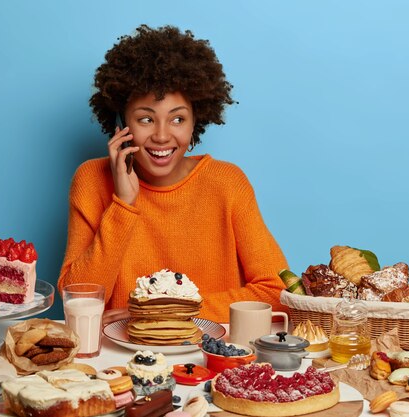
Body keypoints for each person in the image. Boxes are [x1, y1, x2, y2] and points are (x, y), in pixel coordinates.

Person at [58, 25, 288, 324]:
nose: (163, 136)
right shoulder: (91, 179)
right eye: (145, 119)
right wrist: (124, 205)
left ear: (196, 122)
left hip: (210, 357)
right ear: (120, 123)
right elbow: (78, 300)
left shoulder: (227, 183)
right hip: (117, 363)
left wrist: (157, 313)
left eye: (177, 118)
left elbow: (277, 292)